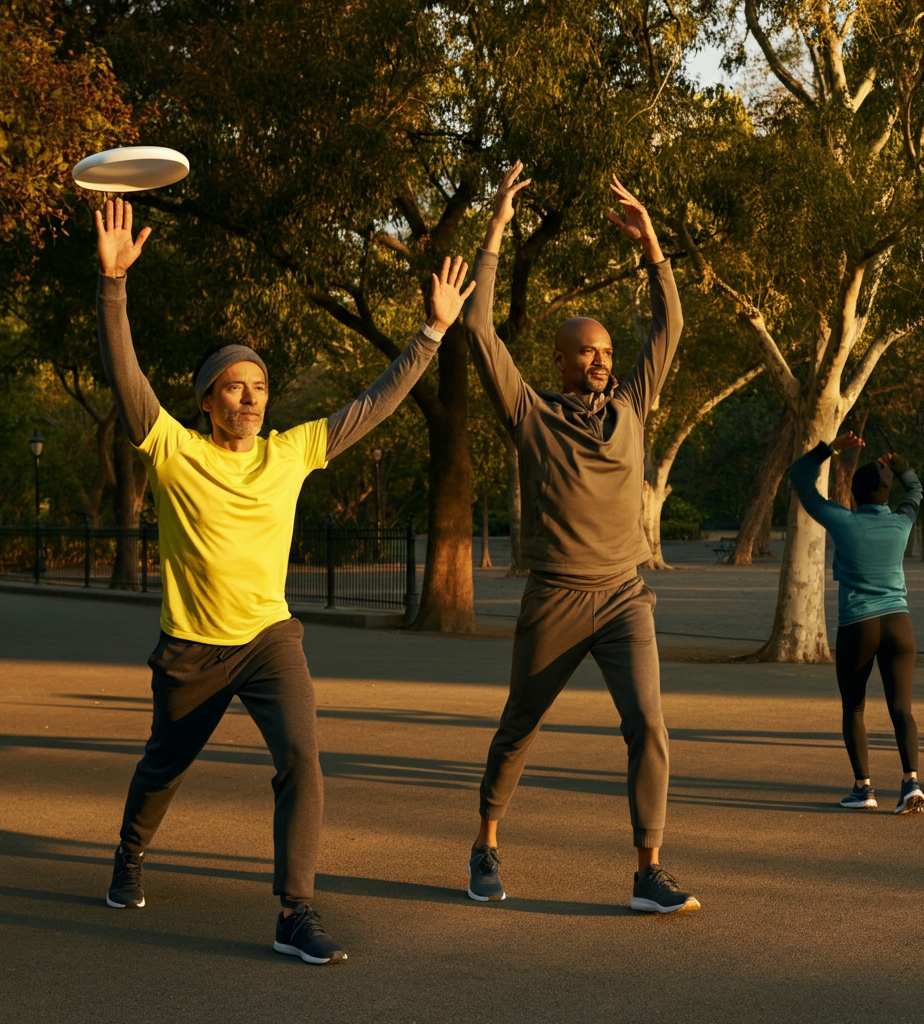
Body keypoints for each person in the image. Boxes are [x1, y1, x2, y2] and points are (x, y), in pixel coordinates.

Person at [93, 197, 476, 964]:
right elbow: (128, 377)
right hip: (192, 651)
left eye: (258, 385)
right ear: (206, 400)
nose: (250, 395)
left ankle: (295, 912)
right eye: (233, 386)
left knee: (302, 759)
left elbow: (375, 401)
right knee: (164, 766)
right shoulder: (172, 449)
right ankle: (130, 854)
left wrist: (432, 331)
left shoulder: (293, 451)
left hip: (270, 638)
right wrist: (113, 287)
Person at [460, 163, 699, 914]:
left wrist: (651, 242)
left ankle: (648, 871)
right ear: (559, 360)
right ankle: (486, 845)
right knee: (520, 725)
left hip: (625, 594)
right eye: (584, 349)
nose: (599, 357)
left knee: (650, 728)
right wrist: (496, 227)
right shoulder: (531, 414)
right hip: (557, 596)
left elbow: (672, 326)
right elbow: (477, 328)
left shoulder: (633, 404)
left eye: (603, 348)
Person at [789, 432, 923, 814]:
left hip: (858, 626)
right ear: (885, 492)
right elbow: (915, 493)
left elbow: (798, 477)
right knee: (903, 709)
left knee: (855, 708)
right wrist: (902, 468)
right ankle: (911, 782)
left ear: (853, 493)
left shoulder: (842, 520)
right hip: (899, 624)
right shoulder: (901, 523)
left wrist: (830, 449)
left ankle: (863, 789)